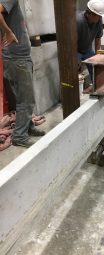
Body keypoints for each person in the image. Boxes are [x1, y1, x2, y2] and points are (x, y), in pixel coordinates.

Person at [0, 0, 45, 148]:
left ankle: (27, 127)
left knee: (23, 97)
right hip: (17, 58)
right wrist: (8, 32)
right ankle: (20, 136)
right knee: (26, 99)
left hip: (19, 57)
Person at [76, 0, 104, 81]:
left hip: (88, 50)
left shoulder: (99, 20)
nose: (100, 17)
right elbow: (72, 43)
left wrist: (98, 55)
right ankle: (76, 91)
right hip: (76, 50)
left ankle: (95, 87)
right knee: (74, 71)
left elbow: (98, 39)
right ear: (90, 14)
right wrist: (75, 59)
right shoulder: (78, 21)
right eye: (99, 15)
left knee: (96, 69)